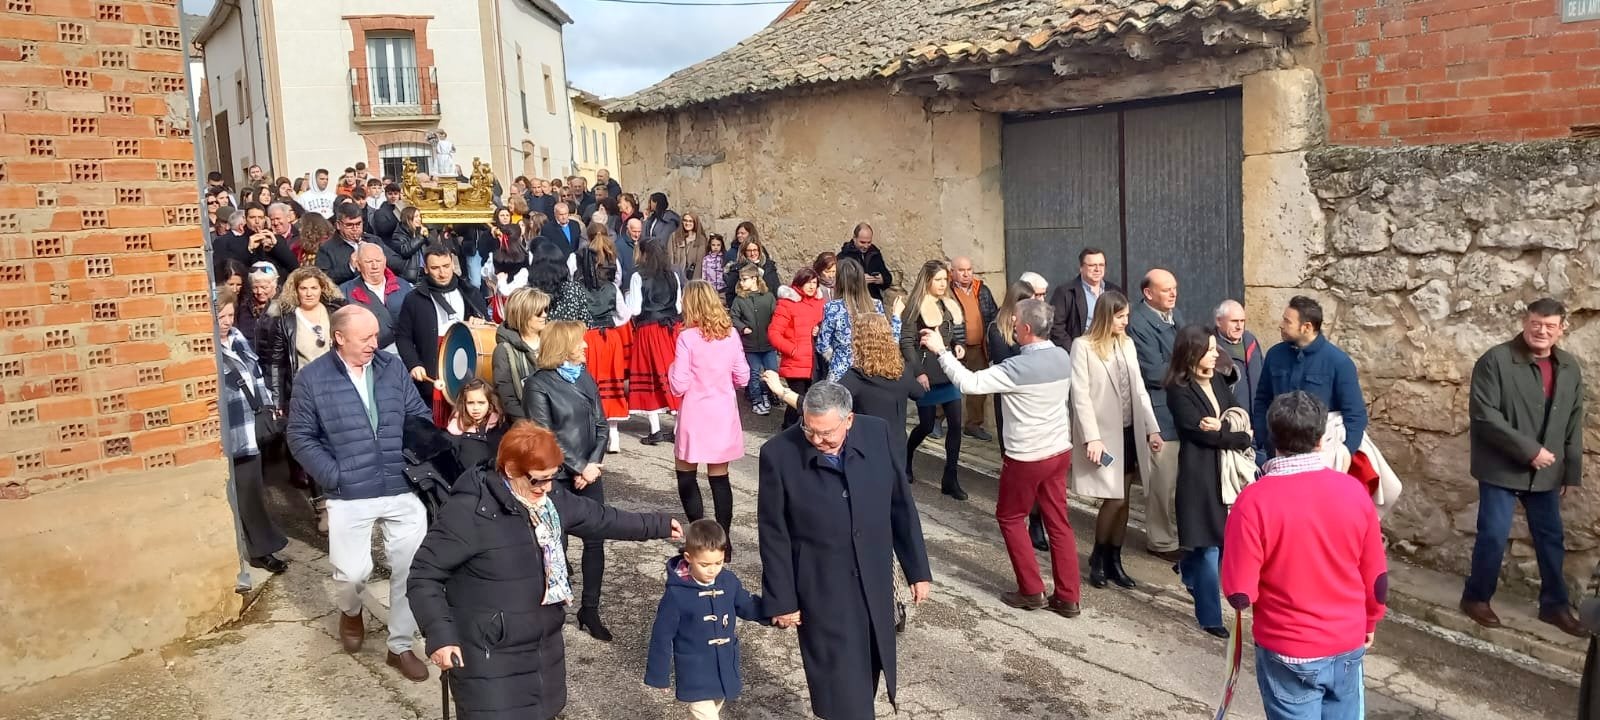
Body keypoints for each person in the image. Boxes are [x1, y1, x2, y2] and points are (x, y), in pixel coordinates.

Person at [409, 422, 682, 719]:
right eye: (538, 480)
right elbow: (424, 576)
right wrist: (440, 635)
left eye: (552, 478)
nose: (547, 488)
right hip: (489, 654)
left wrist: (657, 524)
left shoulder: (550, 501)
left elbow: (600, 518)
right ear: (510, 469)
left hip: (543, 647)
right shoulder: (470, 512)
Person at [757, 381, 932, 720]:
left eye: (825, 433)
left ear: (849, 420)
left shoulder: (876, 433)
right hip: (822, 587)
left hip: (873, 580)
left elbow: (900, 505)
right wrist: (781, 599)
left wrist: (918, 570)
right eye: (809, 430)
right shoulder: (778, 453)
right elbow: (773, 532)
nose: (816, 440)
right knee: (840, 687)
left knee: (868, 667)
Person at [285, 305, 433, 682]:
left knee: (410, 569)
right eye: (365, 338)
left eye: (376, 335)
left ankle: (400, 645)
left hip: (401, 485)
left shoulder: (391, 366)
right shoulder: (312, 378)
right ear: (339, 338)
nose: (375, 343)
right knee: (352, 573)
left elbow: (417, 416)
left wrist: (415, 461)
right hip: (349, 490)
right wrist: (334, 476)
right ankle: (351, 611)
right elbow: (299, 436)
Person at [1223, 391, 1388, 720]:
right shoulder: (1353, 491)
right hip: (1347, 641)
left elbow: (1240, 592)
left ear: (1272, 438)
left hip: (1288, 646)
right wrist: (1370, 620)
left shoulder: (1254, 501)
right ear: (1322, 438)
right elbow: (1376, 575)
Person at [923, 298, 1080, 617]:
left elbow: (970, 383)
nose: (1010, 326)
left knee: (1010, 517)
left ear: (1025, 329)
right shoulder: (1062, 356)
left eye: (1014, 322)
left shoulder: (1017, 368)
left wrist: (940, 351)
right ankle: (1067, 596)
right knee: (1058, 522)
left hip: (1026, 456)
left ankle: (1031, 590)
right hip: (1058, 450)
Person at [1461, 298, 1586, 636]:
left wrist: (1570, 472)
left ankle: (1555, 606)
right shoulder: (1495, 360)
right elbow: (1485, 415)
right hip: (1501, 467)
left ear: (1561, 329)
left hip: (1545, 472)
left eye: (1549, 325)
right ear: (1525, 321)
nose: (1541, 331)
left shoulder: (1570, 368)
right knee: (1493, 535)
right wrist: (1530, 451)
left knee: (1551, 539)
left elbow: (1573, 422)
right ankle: (1476, 598)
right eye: (1535, 323)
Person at [523, 321, 618, 640]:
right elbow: (544, 434)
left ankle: (590, 608)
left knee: (596, 540)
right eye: (580, 342)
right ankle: (554, 611)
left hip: (589, 472)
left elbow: (602, 426)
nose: (586, 346)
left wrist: (593, 464)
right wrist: (579, 468)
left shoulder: (585, 377)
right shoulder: (538, 385)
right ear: (563, 346)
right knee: (555, 545)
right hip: (557, 479)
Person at [1068, 291, 1163, 589]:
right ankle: (1098, 556)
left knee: (1123, 499)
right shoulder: (1082, 346)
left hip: (1128, 430)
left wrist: (1152, 427)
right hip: (1103, 434)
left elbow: (1139, 390)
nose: (1125, 322)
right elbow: (1080, 395)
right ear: (1106, 316)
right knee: (1115, 497)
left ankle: (1114, 559)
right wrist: (1091, 438)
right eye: (1120, 317)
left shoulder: (1127, 344)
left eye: (1126, 317)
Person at [1165, 325, 1254, 638]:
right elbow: (1197, 433)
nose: (1217, 354)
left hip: (1226, 474)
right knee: (1209, 546)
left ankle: (1187, 569)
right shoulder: (1178, 389)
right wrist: (1238, 437)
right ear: (1193, 352)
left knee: (1216, 541)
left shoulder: (1217, 379)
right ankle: (1210, 616)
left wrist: (1226, 430)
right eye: (1211, 349)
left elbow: (1235, 414)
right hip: (1199, 475)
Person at [645, 519, 767, 719]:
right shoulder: (676, 594)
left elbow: (747, 606)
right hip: (695, 671)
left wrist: (774, 614)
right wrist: (659, 675)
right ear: (688, 557)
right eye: (705, 564)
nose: (712, 570)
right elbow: (662, 636)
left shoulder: (728, 581)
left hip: (724, 665)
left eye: (718, 563)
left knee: (716, 706)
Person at [669, 281, 751, 556]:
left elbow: (679, 384)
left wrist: (671, 369)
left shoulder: (687, 338)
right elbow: (743, 376)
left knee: (686, 475)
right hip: (722, 412)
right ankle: (724, 542)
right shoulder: (730, 336)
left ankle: (700, 537)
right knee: (719, 478)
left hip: (695, 413)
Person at [214, 289, 290, 576]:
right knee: (242, 495)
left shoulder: (237, 338)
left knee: (252, 493)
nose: (226, 321)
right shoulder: (209, 348)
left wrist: (270, 404)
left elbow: (256, 374)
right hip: (230, 433)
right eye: (220, 316)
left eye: (230, 315)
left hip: (249, 430)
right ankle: (258, 550)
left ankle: (261, 549)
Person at [1252, 295, 1368, 460]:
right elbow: (1262, 400)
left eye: (1287, 321)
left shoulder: (1338, 362)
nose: (1281, 325)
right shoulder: (1274, 355)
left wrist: (1344, 454)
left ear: (1306, 327)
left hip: (1322, 456)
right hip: (1278, 453)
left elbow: (1355, 415)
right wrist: (1264, 438)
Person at [986, 281, 1051, 550]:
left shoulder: (1034, 328)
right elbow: (1006, 365)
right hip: (1010, 403)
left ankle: (1036, 521)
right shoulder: (997, 330)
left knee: (1038, 464)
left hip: (1035, 402)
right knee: (1014, 461)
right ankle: (1018, 514)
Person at [1127, 268, 1184, 562]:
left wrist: (1177, 363)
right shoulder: (1138, 323)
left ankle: (1180, 533)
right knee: (1162, 481)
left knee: (1181, 480)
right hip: (1161, 413)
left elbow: (1184, 352)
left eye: (1174, 288)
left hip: (1182, 407)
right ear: (1148, 294)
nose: (1173, 294)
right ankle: (1160, 540)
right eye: (1166, 290)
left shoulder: (1174, 315)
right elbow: (1153, 371)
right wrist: (1187, 366)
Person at [900, 260, 968, 500]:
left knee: (956, 425)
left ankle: (951, 477)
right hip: (926, 375)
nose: (943, 284)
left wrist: (958, 346)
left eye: (944, 280)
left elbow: (953, 334)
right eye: (938, 280)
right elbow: (906, 342)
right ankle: (906, 460)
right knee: (927, 426)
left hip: (947, 372)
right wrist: (918, 372)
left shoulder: (947, 304)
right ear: (927, 280)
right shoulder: (915, 307)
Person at [394, 245, 489, 406]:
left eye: (446, 266)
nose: (442, 273)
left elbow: (488, 328)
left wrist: (481, 323)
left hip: (467, 363)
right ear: (426, 269)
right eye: (435, 268)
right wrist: (413, 364)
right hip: (431, 366)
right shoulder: (413, 299)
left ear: (453, 264)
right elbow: (403, 337)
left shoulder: (470, 292)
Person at [576, 225, 633, 451]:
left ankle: (591, 432)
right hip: (609, 338)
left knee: (590, 383)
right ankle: (613, 435)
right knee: (612, 383)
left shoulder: (578, 288)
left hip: (587, 337)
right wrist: (610, 323)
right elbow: (625, 315)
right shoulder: (611, 288)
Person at [628, 240, 684, 445]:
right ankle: (678, 428)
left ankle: (655, 429)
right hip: (671, 329)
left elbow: (634, 309)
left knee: (649, 376)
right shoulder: (673, 275)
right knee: (672, 375)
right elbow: (678, 307)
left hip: (648, 329)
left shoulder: (637, 276)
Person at [817, 258, 901, 382]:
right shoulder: (876, 305)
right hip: (871, 371)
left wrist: (838, 357)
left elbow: (822, 345)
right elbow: (890, 341)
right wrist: (896, 317)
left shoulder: (832, 308)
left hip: (842, 373)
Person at [768, 268, 827, 428]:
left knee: (812, 400)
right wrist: (792, 350)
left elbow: (826, 326)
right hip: (796, 363)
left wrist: (819, 330)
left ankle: (805, 431)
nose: (812, 286)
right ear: (799, 283)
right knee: (796, 401)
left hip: (816, 361)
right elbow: (774, 333)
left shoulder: (820, 303)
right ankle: (788, 429)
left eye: (814, 282)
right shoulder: (787, 304)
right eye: (808, 282)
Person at [950, 256, 998, 442]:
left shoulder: (982, 290)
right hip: (957, 346)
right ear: (952, 271)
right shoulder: (948, 291)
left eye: (969, 269)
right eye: (961, 270)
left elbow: (992, 315)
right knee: (948, 383)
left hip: (979, 347)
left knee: (978, 386)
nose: (966, 273)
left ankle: (973, 425)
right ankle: (937, 420)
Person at [338, 242, 412, 355]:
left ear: (385, 261)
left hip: (407, 352)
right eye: (369, 262)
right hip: (368, 355)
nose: (375, 266)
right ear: (358, 264)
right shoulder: (345, 292)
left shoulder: (404, 286)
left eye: (378, 261)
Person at [491, 287, 550, 421]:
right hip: (528, 427)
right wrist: (531, 427)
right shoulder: (504, 350)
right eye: (538, 312)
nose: (544, 315)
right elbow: (507, 398)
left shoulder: (552, 341)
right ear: (522, 314)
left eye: (545, 310)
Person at [1049, 247, 1121, 348]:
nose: (1097, 269)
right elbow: (1055, 327)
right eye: (1092, 265)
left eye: (1101, 265)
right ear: (1081, 268)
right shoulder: (1065, 292)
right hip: (1081, 352)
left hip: (1110, 349)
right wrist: (1074, 351)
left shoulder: (1115, 291)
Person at [730, 265, 778, 416]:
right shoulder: (739, 299)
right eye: (741, 280)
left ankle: (768, 394)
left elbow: (776, 316)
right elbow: (733, 317)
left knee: (772, 372)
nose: (741, 283)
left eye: (745, 279)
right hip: (750, 345)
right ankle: (756, 400)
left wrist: (774, 331)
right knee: (754, 373)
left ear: (754, 279)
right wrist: (743, 328)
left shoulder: (768, 297)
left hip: (768, 343)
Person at [317, 202, 404, 286]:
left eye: (358, 224)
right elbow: (323, 279)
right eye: (349, 225)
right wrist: (350, 267)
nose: (355, 229)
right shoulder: (326, 248)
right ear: (338, 225)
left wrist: (377, 255)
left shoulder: (373, 240)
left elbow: (398, 264)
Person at [215, 203, 297, 277]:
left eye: (260, 218)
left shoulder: (277, 239)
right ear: (245, 219)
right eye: (252, 217)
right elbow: (231, 271)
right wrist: (249, 250)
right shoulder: (233, 242)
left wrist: (275, 245)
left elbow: (294, 266)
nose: (257, 221)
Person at [446, 378, 507, 471]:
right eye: (470, 403)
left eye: (481, 403)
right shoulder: (455, 429)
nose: (476, 408)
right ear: (464, 404)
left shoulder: (499, 427)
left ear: (490, 403)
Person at [1213, 299, 1263, 410]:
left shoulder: (1251, 341)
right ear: (1218, 321)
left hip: (1257, 413)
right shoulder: (1211, 347)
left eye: (1242, 321)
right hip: (1231, 416)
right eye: (1234, 321)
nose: (1239, 326)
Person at [836, 222, 892, 301]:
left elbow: (887, 277)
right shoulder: (844, 256)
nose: (866, 246)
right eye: (862, 242)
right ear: (854, 238)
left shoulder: (875, 254)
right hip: (853, 301)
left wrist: (882, 280)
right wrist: (859, 280)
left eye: (869, 242)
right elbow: (840, 281)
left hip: (873, 299)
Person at [722, 236, 781, 306]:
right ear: (744, 252)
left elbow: (776, 289)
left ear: (759, 250)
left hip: (767, 308)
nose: (752, 254)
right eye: (749, 251)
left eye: (755, 250)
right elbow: (730, 294)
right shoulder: (737, 270)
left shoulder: (769, 267)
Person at [237, 264, 279, 354]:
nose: (259, 292)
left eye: (264, 287)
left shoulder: (283, 306)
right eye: (255, 287)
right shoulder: (244, 306)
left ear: (274, 285)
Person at [387, 206, 428, 284]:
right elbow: (405, 250)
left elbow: (433, 247)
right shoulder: (399, 234)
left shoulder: (419, 233)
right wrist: (420, 237)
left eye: (420, 216)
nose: (419, 219)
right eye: (416, 216)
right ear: (408, 218)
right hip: (412, 277)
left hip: (425, 274)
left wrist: (428, 236)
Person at [669, 212, 709, 282]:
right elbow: (670, 257)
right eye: (685, 220)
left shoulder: (701, 239)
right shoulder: (674, 236)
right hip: (677, 276)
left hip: (693, 277)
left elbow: (700, 263)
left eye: (690, 221)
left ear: (695, 223)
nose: (687, 223)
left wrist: (694, 282)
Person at [697, 233, 727, 298]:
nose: (716, 247)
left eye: (718, 245)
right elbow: (704, 275)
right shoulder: (706, 259)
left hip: (722, 289)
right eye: (713, 245)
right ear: (710, 245)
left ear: (721, 245)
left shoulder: (724, 257)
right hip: (710, 289)